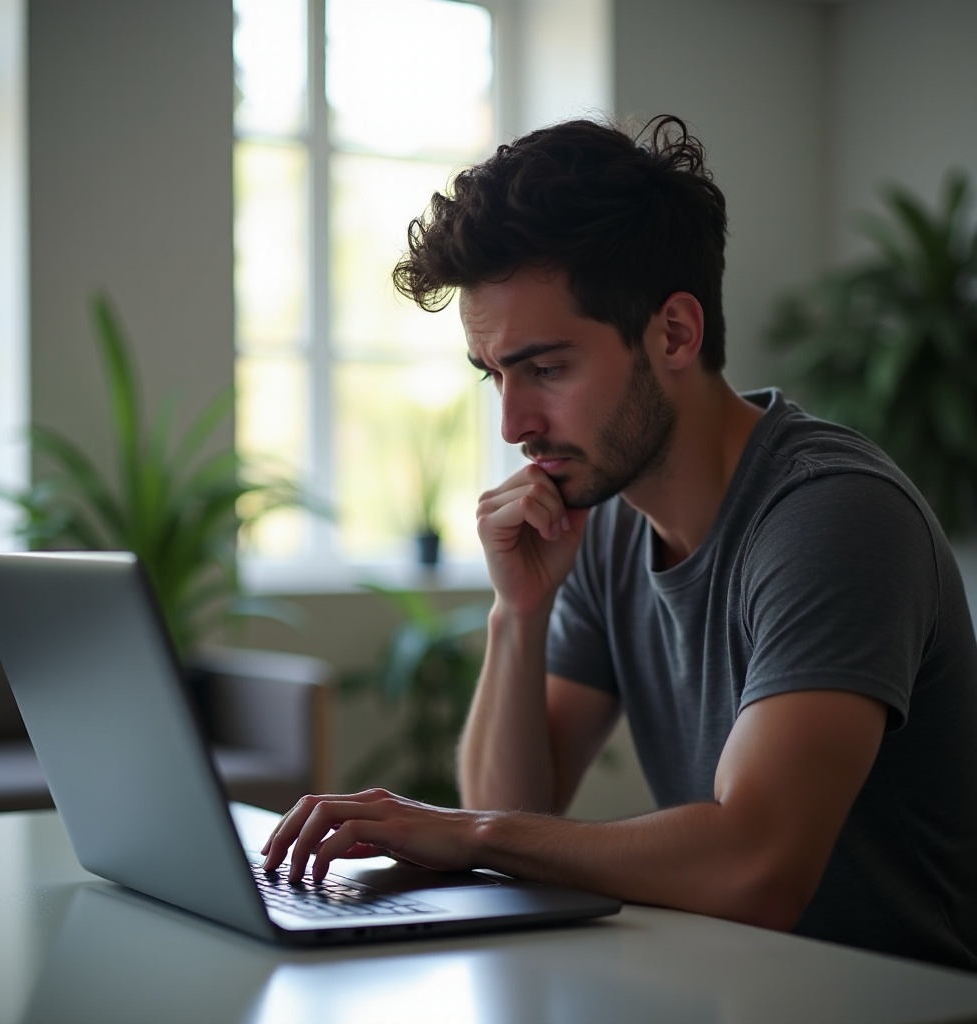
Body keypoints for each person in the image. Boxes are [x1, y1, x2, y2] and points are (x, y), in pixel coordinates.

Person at [262, 115, 977, 970]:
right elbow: (516, 810)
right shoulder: (606, 520)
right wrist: (517, 613)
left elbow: (756, 866)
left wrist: (463, 831)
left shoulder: (832, 515)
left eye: (547, 368)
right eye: (495, 375)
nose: (515, 424)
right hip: (735, 985)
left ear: (675, 333)